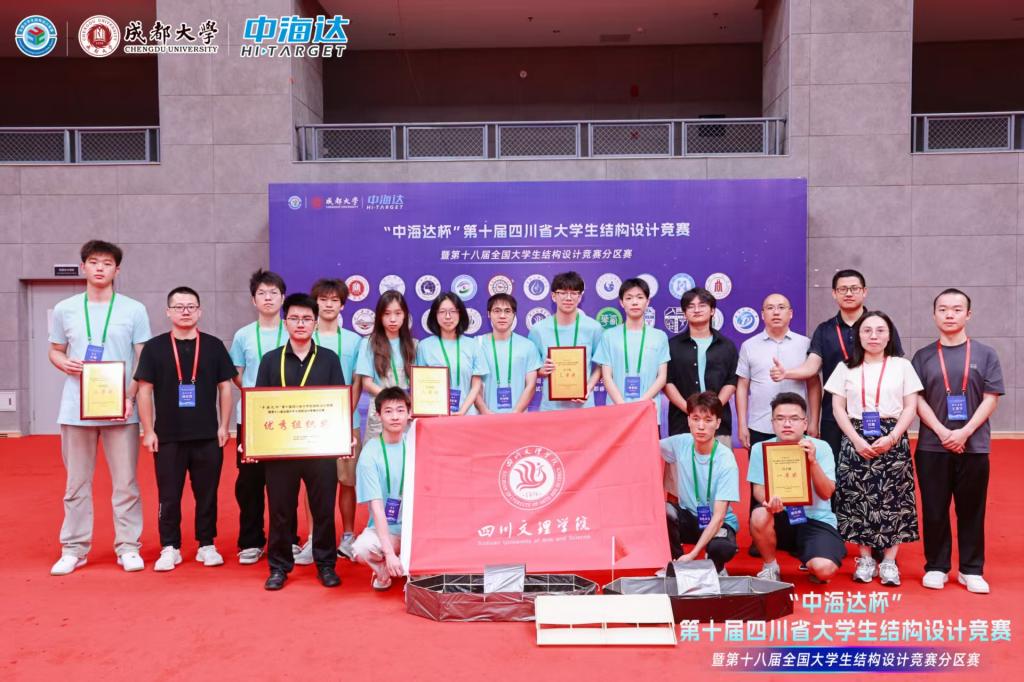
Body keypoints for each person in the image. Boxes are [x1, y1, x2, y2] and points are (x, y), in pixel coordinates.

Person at [48, 240, 151, 576]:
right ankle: (73, 549)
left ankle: (128, 546)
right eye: (94, 262)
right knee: (76, 483)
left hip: (120, 408)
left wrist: (129, 398)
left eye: (107, 263)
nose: (100, 268)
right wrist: (64, 363)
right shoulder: (65, 309)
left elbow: (143, 359)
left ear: (117, 270)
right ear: (83, 267)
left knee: (126, 482)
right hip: (75, 408)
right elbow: (55, 350)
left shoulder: (134, 309)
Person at [134, 287, 236, 571]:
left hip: (207, 435)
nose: (185, 311)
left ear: (199, 311)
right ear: (168, 312)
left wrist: (223, 425)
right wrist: (148, 430)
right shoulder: (154, 348)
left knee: (207, 494)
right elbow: (144, 390)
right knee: (169, 495)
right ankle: (170, 546)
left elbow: (225, 388)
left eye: (191, 306)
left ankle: (207, 544)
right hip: (168, 436)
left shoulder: (213, 345)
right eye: (179, 307)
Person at [912, 289, 1004, 594]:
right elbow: (916, 400)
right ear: (934, 314)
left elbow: (991, 399)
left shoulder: (986, 354)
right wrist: (942, 431)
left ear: (968, 314)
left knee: (972, 510)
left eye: (956, 309)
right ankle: (936, 566)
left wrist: (964, 432)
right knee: (934, 508)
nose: (949, 314)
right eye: (942, 309)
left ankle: (971, 569)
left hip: (974, 445)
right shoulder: (922, 356)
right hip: (932, 446)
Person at [825, 310, 922, 586]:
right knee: (857, 496)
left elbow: (911, 406)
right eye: (867, 330)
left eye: (880, 330)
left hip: (893, 436)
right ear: (858, 335)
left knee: (894, 497)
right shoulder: (846, 367)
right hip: (855, 436)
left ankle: (889, 561)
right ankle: (865, 558)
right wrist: (856, 440)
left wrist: (892, 437)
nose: (874, 336)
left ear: (890, 335)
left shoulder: (902, 366)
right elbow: (837, 408)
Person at [256, 293, 345, 591]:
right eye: (294, 318)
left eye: (307, 318)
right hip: (281, 450)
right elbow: (260, 405)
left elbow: (337, 402)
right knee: (281, 509)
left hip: (320, 449)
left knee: (323, 509)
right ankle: (278, 567)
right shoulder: (271, 360)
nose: (301, 323)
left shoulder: (329, 359)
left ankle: (326, 564)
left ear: (316, 323)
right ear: (285, 323)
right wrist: (255, 442)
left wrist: (342, 439)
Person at [770, 269, 903, 458]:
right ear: (834, 293)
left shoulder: (880, 327)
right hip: (833, 414)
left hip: (876, 413)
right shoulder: (824, 330)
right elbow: (812, 366)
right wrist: (787, 373)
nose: (848, 293)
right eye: (842, 289)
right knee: (835, 469)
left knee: (878, 468)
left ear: (864, 291)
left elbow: (896, 366)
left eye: (854, 288)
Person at [737, 293, 821, 556]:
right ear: (762, 314)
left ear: (791, 313)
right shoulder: (749, 345)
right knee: (760, 483)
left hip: (796, 428)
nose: (776, 312)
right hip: (760, 424)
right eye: (770, 308)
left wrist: (814, 421)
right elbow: (742, 386)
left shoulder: (805, 344)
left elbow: (813, 384)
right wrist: (742, 423)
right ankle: (760, 535)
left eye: (781, 307)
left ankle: (795, 536)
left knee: (795, 480)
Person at [748, 393, 846, 584]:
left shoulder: (821, 447)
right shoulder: (761, 448)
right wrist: (769, 501)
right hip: (781, 515)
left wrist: (813, 462)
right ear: (772, 422)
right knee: (759, 514)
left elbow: (826, 492)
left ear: (805, 423)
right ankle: (770, 567)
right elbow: (758, 489)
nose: (787, 424)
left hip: (816, 519)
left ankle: (812, 558)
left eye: (794, 419)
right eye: (780, 418)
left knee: (824, 570)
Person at [228, 269, 286, 565]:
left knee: (285, 481)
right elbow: (235, 373)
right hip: (251, 419)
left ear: (282, 298)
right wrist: (256, 396)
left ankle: (286, 539)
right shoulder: (243, 335)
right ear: (253, 300)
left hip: (286, 418)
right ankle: (251, 540)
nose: (268, 298)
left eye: (273, 293)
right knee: (250, 482)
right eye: (262, 293)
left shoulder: (293, 330)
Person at [310, 278, 364, 561]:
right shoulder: (305, 336)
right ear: (315, 303)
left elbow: (357, 381)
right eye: (323, 299)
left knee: (347, 480)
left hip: (346, 421)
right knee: (313, 481)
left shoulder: (354, 340)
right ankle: (313, 536)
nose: (328, 305)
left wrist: (346, 413)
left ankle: (348, 534)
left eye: (334, 300)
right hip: (311, 423)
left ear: (343, 305)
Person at [658, 391, 740, 575]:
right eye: (695, 419)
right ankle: (677, 564)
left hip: (718, 522)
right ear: (688, 420)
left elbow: (719, 517)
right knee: (664, 511)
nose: (701, 426)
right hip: (689, 517)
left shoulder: (726, 460)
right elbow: (646, 443)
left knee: (722, 548)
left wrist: (694, 554)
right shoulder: (680, 443)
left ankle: (716, 567)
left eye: (708, 420)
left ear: (718, 423)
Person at [353, 387, 412, 591]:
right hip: (387, 529)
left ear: (409, 413)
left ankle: (411, 567)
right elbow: (377, 509)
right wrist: (388, 553)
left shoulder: (416, 444)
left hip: (415, 530)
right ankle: (384, 570)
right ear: (378, 415)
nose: (395, 417)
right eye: (388, 411)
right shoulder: (370, 454)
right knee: (361, 549)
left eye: (400, 410)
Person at [664, 287, 738, 443]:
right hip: (682, 423)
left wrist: (713, 410)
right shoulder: (672, 346)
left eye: (702, 305)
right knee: (682, 459)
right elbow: (667, 382)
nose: (696, 310)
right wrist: (691, 411)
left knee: (719, 459)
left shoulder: (726, 346)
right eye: (691, 306)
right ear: (684, 313)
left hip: (718, 423)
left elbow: (731, 381)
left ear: (712, 311)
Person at [595, 278, 669, 423]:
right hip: (616, 412)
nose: (635, 302)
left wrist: (641, 404)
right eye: (629, 298)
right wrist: (623, 407)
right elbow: (607, 376)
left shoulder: (659, 336)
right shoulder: (609, 336)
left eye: (640, 297)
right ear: (622, 303)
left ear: (647, 302)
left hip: (648, 410)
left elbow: (662, 377)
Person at [528, 271, 604, 411]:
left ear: (580, 297)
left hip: (584, 407)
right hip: (550, 408)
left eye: (574, 293)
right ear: (553, 296)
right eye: (562, 293)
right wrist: (541, 370)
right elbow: (530, 367)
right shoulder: (538, 330)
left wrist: (588, 387)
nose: (568, 298)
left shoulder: (594, 328)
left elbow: (601, 365)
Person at [355, 290, 416, 439]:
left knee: (406, 450)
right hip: (381, 409)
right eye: (387, 314)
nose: (392, 319)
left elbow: (418, 383)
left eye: (398, 313)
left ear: (405, 315)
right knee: (378, 449)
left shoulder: (414, 345)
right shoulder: (368, 343)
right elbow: (367, 383)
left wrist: (405, 405)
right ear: (379, 316)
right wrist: (394, 401)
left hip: (406, 411)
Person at [415, 292, 487, 415]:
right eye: (442, 312)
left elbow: (476, 385)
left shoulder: (473, 345)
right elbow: (421, 385)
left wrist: (462, 411)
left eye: (453, 311)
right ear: (435, 315)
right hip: (436, 416)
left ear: (460, 314)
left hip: (467, 415)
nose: (448, 317)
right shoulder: (424, 346)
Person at [474, 293, 542, 414]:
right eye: (497, 311)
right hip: (485, 418)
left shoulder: (528, 346)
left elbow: (531, 385)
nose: (502, 316)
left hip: (518, 418)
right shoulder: (477, 344)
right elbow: (473, 385)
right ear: (489, 314)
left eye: (507, 311)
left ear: (514, 315)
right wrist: (485, 412)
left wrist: (515, 414)